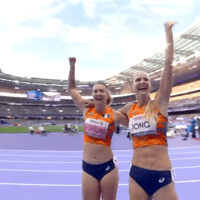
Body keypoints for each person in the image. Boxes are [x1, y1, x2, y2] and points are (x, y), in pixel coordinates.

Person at [119, 22, 178, 200]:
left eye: (146, 79)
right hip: (137, 176)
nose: (143, 81)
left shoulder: (160, 102)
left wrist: (168, 32)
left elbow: (168, 63)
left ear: (150, 84)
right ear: (133, 86)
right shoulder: (129, 109)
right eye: (138, 80)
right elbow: (108, 115)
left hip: (162, 175)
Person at [68, 57, 128, 200]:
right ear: (92, 94)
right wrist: (72, 66)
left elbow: (134, 118)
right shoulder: (85, 109)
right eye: (95, 91)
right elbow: (71, 89)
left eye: (102, 91)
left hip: (108, 168)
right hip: (88, 168)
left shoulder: (115, 115)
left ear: (107, 95)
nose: (98, 93)